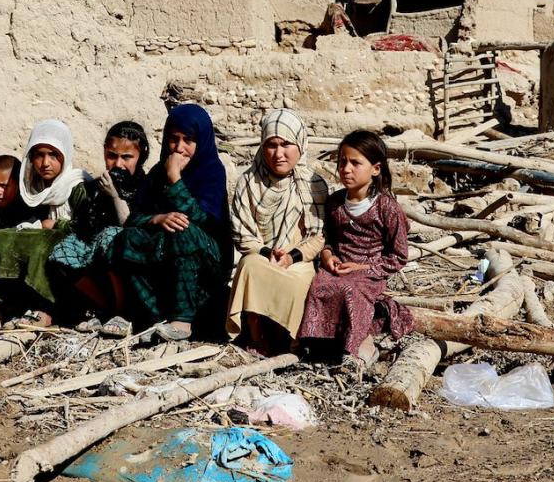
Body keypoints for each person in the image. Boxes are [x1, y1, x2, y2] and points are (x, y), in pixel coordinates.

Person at [110, 104, 229, 341]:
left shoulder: (211, 172)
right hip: (166, 249)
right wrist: (157, 218)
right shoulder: (157, 173)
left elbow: (203, 220)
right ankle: (153, 316)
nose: (179, 148)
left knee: (183, 231)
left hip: (208, 257)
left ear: (201, 141)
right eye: (174, 139)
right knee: (125, 239)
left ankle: (182, 322)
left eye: (188, 140)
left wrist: (175, 179)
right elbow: (134, 217)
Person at [299, 130, 413, 365]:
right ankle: (321, 345)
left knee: (350, 289)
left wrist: (362, 267)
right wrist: (328, 255)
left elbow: (398, 256)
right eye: (342, 162)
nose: (346, 169)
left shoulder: (387, 208)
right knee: (319, 285)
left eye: (355, 163)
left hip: (369, 272)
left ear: (376, 169)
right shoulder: (335, 203)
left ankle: (359, 345)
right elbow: (329, 240)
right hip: (339, 266)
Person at [225, 109, 328, 355]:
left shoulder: (314, 184)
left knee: (302, 279)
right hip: (262, 254)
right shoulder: (249, 182)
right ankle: (256, 336)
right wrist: (266, 251)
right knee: (249, 266)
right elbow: (241, 230)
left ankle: (289, 338)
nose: (278, 153)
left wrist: (292, 255)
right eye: (271, 145)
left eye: (286, 144)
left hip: (299, 258)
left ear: (300, 145)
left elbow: (319, 236)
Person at [0, 121, 91, 329]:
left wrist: (55, 224)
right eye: (39, 155)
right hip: (43, 240)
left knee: (41, 244)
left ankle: (45, 310)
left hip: (74, 253)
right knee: (1, 236)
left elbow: (88, 226)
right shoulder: (31, 188)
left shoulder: (77, 185)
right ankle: (1, 304)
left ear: (65, 154)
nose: (45, 162)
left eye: (53, 155)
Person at [55, 121, 150, 335]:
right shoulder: (98, 186)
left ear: (141, 156)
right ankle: (102, 307)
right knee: (64, 250)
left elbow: (130, 223)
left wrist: (115, 197)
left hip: (135, 258)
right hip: (99, 257)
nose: (118, 164)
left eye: (127, 157)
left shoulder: (147, 185)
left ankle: (124, 312)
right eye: (111, 156)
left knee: (112, 237)